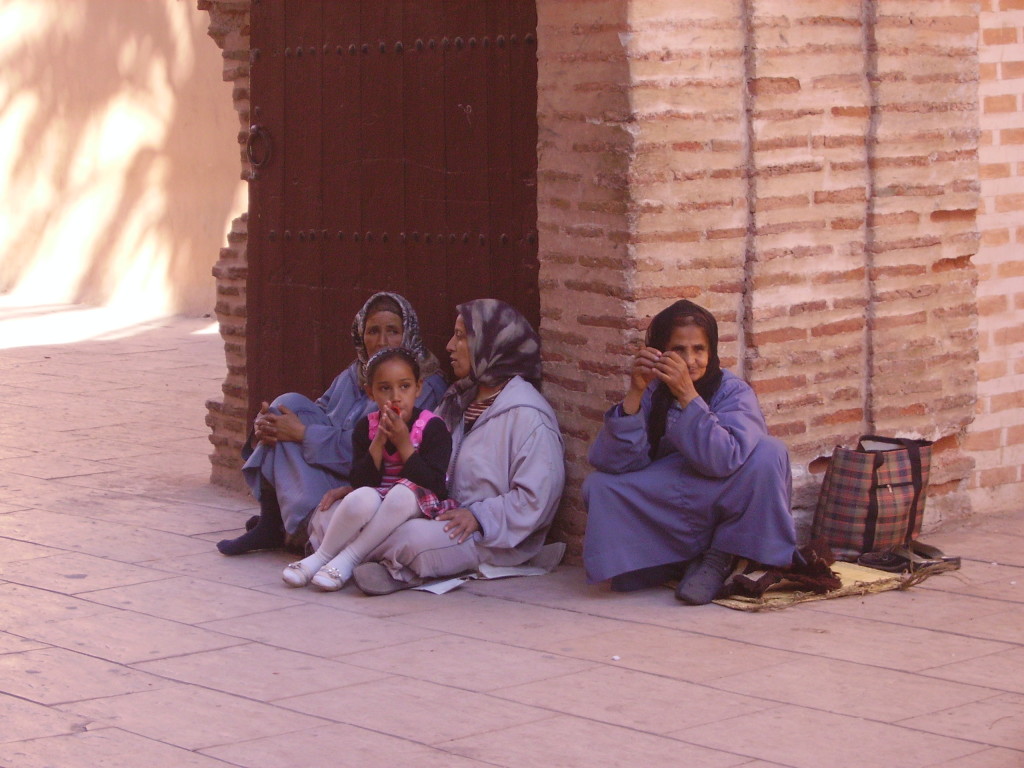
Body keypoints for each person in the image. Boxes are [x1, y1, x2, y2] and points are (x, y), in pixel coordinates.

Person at [582, 299, 796, 605]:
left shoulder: (733, 391)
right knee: (599, 486)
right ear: (660, 351)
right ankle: (673, 560)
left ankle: (723, 555)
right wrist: (635, 393)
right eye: (679, 350)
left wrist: (688, 396)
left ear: (712, 352)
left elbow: (724, 460)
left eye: (699, 349)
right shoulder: (654, 390)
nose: (690, 360)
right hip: (674, 490)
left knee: (769, 451)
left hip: (720, 488)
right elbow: (613, 463)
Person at [349, 299, 566, 595]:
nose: (450, 346)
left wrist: (478, 516)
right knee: (350, 510)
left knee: (413, 537)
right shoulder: (457, 400)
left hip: (488, 535)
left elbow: (535, 499)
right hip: (439, 510)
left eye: (462, 336)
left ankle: (371, 563)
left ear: (492, 345)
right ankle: (384, 564)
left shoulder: (528, 415)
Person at [216, 292, 447, 556]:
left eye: (392, 331)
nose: (382, 341)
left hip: (368, 481)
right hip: (326, 461)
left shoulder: (420, 384)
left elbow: (376, 446)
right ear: (361, 335)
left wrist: (304, 434)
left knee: (294, 429)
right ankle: (271, 523)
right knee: (286, 405)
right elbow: (319, 410)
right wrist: (272, 424)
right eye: (373, 331)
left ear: (408, 334)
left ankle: (306, 532)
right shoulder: (356, 373)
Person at [280, 347, 452, 590]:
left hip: (418, 502)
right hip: (381, 497)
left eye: (404, 386)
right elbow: (362, 480)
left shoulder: (433, 427)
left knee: (401, 493)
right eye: (384, 389)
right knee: (361, 497)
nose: (395, 397)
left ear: (419, 388)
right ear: (370, 393)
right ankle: (320, 558)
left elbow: (435, 484)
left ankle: (349, 558)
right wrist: (378, 442)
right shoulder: (366, 428)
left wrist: (404, 445)